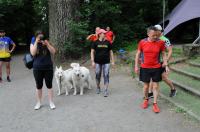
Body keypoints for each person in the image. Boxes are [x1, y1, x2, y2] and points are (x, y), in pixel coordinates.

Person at [135, 26, 167, 113]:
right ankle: (146, 99)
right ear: (148, 34)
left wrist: (165, 63)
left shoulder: (161, 43)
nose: (155, 37)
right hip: (145, 67)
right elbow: (138, 54)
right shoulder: (142, 42)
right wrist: (136, 66)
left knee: (155, 86)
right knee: (146, 86)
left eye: (156, 35)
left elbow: (164, 53)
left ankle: (155, 103)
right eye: (153, 35)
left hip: (156, 67)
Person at [148, 24, 176, 98]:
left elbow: (170, 51)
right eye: (155, 30)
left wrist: (165, 61)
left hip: (161, 61)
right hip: (153, 62)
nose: (156, 32)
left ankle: (173, 89)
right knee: (154, 77)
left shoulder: (165, 39)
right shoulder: (154, 38)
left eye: (157, 30)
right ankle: (150, 93)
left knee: (163, 77)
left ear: (160, 31)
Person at [30, 30, 56, 110]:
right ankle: (39, 102)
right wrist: (36, 42)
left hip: (48, 67)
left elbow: (54, 52)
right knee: (39, 86)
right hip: (37, 68)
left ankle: (51, 102)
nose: (40, 37)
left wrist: (47, 44)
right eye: (38, 36)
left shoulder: (47, 42)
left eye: (41, 35)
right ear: (36, 36)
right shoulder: (33, 42)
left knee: (49, 85)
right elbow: (33, 53)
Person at [90, 28, 115, 97]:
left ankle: (106, 90)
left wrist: (113, 61)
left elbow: (111, 52)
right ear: (100, 34)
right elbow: (92, 52)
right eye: (103, 33)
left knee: (106, 75)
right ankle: (98, 87)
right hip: (97, 62)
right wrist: (92, 61)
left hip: (106, 62)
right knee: (98, 75)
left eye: (105, 33)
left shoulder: (108, 42)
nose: (105, 34)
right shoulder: (95, 42)